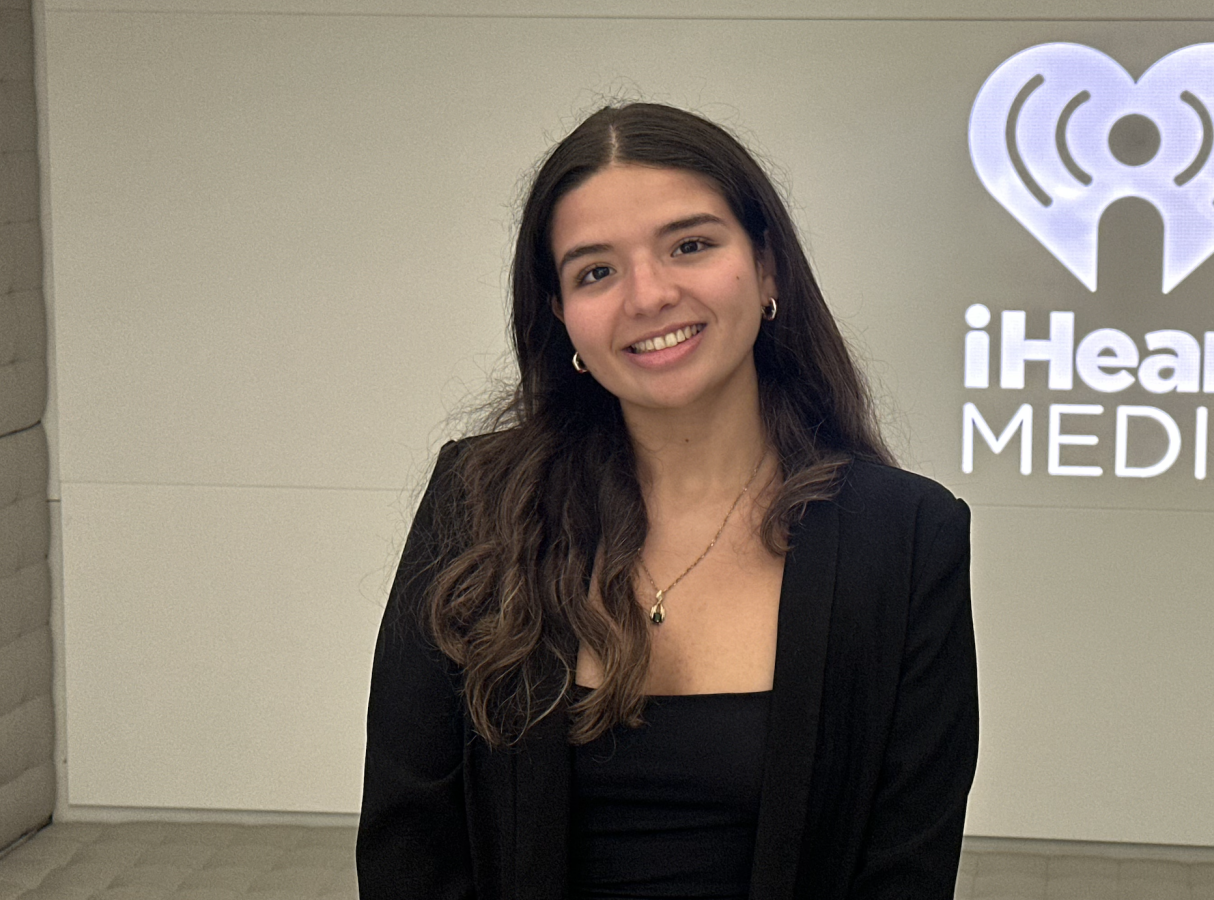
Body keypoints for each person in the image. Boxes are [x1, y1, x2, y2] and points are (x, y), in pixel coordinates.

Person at [356, 102, 977, 900]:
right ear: (561, 317)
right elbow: (412, 848)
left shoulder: (907, 535)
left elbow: (905, 870)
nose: (648, 296)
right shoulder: (477, 505)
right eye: (596, 271)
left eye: (691, 245)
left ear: (768, 267)